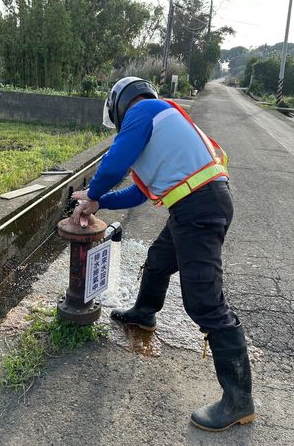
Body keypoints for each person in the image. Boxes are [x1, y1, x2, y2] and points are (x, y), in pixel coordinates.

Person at [71, 76, 255, 431]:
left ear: (121, 105)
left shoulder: (145, 111)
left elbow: (113, 164)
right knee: (158, 260)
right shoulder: (159, 125)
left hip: (199, 208)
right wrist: (101, 201)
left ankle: (238, 400)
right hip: (193, 206)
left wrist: (92, 193)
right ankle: (144, 312)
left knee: (204, 303)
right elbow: (137, 194)